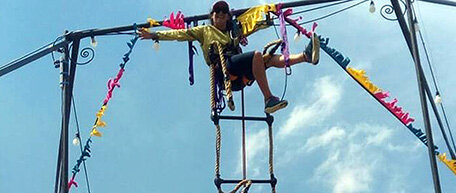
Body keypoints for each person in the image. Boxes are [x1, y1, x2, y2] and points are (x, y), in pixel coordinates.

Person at [137, 1, 320, 114]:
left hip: (240, 74)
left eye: (224, 13)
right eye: (218, 12)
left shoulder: (234, 30)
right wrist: (153, 35)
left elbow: (254, 25)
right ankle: (268, 99)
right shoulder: (205, 31)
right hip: (225, 72)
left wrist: (270, 15)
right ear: (212, 16)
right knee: (257, 56)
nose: (221, 15)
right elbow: (180, 34)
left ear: (227, 17)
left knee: (267, 59)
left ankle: (305, 57)